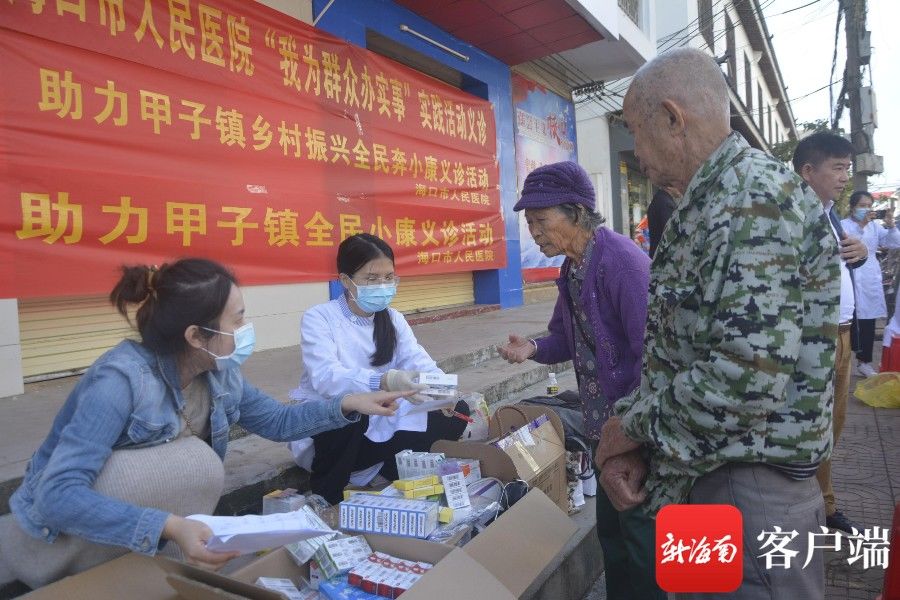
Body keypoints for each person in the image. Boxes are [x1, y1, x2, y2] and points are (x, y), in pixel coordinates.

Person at [0, 259, 407, 589]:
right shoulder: (120, 381)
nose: (246, 331)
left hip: (143, 544)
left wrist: (349, 403)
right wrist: (169, 526)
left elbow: (279, 421)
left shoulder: (218, 372)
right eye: (237, 320)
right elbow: (57, 495)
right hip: (60, 545)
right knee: (188, 462)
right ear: (196, 335)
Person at [596, 48, 839, 599]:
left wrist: (628, 429)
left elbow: (745, 377)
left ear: (673, 118)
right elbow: (682, 354)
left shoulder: (748, 199)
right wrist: (639, 438)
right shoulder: (706, 203)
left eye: (637, 130)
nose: (635, 151)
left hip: (748, 490)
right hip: (703, 474)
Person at [497, 161, 658, 600]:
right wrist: (532, 347)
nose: (534, 232)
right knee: (614, 540)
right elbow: (563, 338)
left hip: (638, 431)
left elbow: (655, 358)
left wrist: (634, 436)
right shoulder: (571, 270)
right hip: (604, 431)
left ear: (578, 212)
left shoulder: (623, 264)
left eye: (541, 220)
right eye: (529, 223)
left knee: (644, 546)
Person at [288, 233, 468, 504]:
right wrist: (383, 381)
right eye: (372, 279)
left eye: (389, 278)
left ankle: (379, 467)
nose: (383, 286)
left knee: (456, 412)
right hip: (337, 423)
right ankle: (329, 493)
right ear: (346, 280)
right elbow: (326, 379)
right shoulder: (320, 317)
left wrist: (443, 391)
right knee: (347, 411)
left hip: (382, 412)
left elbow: (417, 360)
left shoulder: (393, 318)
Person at [793, 131, 868, 535]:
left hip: (841, 335)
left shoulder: (828, 213)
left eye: (848, 169)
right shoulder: (794, 216)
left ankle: (824, 502)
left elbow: (835, 264)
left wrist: (862, 253)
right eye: (837, 168)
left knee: (833, 425)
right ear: (808, 171)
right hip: (815, 339)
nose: (845, 178)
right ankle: (818, 507)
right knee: (815, 426)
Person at [842, 191, 900, 376]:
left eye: (869, 205)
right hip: (850, 274)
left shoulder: (875, 227)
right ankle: (841, 360)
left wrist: (891, 227)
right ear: (852, 207)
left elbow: (894, 243)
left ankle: (864, 362)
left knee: (867, 321)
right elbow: (849, 242)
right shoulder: (843, 225)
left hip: (869, 278)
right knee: (847, 319)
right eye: (862, 205)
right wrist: (861, 225)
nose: (866, 209)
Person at [647, 188, 676, 258]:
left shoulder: (658, 199)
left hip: (658, 254)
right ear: (670, 187)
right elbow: (671, 233)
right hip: (665, 256)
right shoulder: (667, 203)